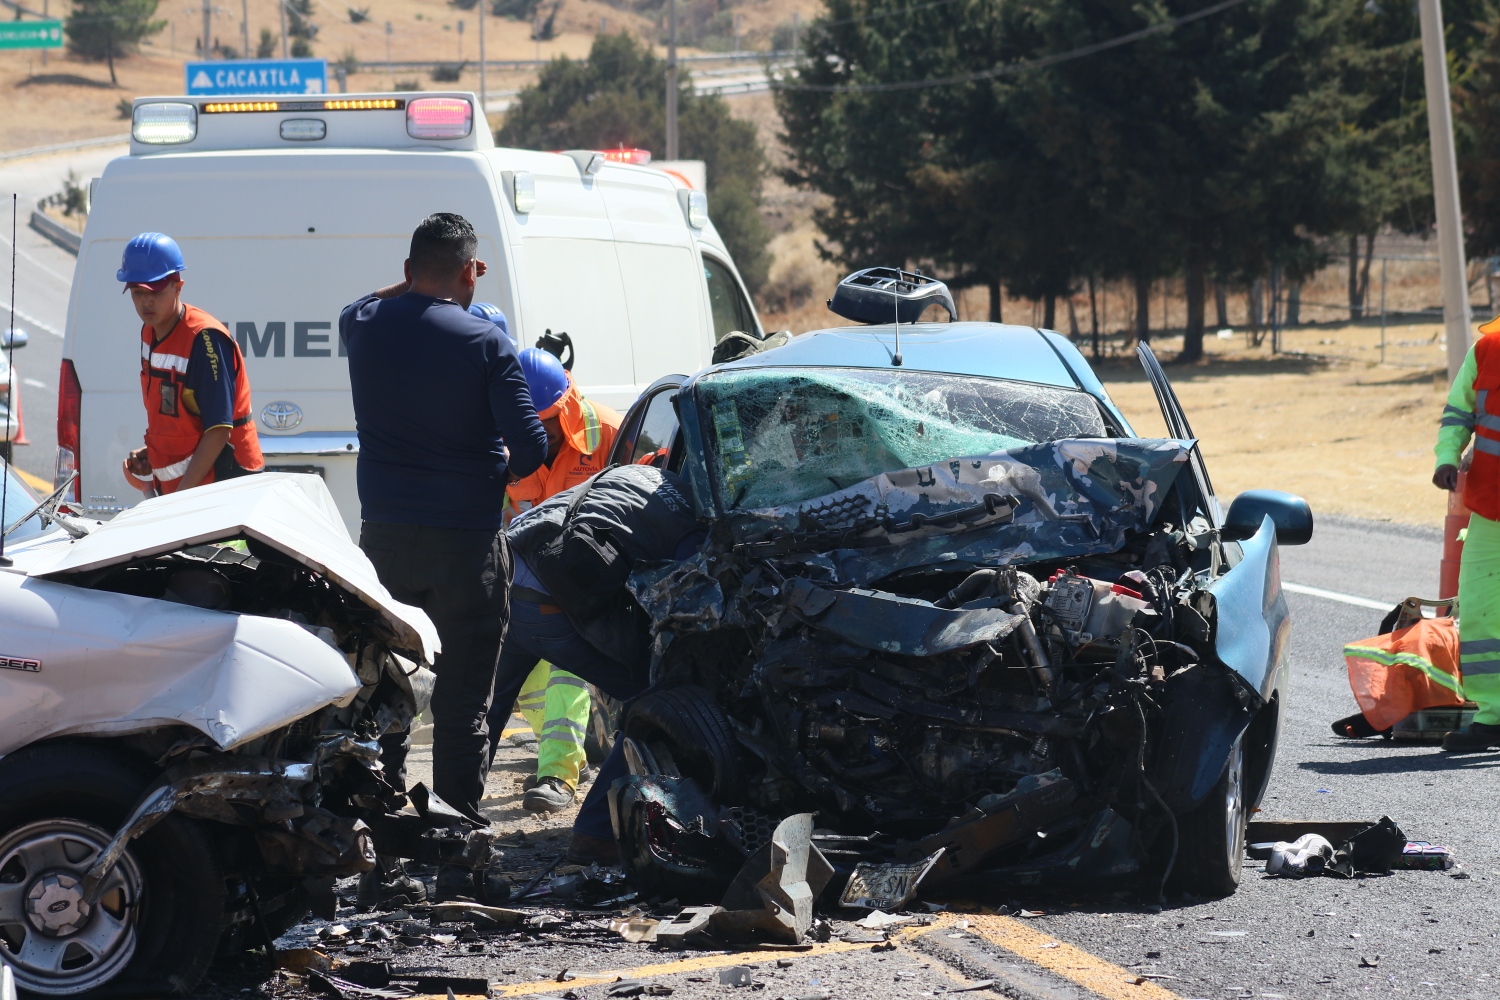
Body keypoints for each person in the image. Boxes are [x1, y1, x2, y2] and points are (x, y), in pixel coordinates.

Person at [341, 213, 548, 903]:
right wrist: (485, 464)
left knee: (385, 698)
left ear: (407, 270)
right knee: (462, 706)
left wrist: (417, 285)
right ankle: (458, 862)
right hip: (464, 545)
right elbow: (531, 453)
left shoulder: (364, 326)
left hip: (385, 547)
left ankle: (381, 858)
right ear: (471, 271)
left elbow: (364, 302)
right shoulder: (486, 341)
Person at [497, 463, 705, 863]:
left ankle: (447, 832)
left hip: (502, 578)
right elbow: (693, 589)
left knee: (483, 715)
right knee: (659, 706)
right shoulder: (692, 519)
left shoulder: (633, 475)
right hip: (548, 603)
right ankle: (595, 833)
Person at [486, 346, 622, 814]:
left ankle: (557, 775)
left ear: (564, 407)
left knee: (569, 666)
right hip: (524, 582)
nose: (535, 432)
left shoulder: (607, 432)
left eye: (544, 421)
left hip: (588, 586)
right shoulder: (500, 440)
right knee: (516, 681)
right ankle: (565, 748)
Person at [118, 232, 263, 495]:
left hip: (225, 487)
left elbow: (219, 430)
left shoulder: (205, 339)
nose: (146, 301)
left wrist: (180, 501)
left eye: (156, 291)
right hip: (189, 491)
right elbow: (178, 416)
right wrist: (154, 453)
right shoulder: (149, 332)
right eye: (138, 292)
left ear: (178, 286)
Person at [1433, 313, 1500, 751]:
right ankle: (1493, 717)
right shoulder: (1487, 350)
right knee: (1479, 611)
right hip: (1490, 508)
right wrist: (1446, 455)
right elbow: (1459, 410)